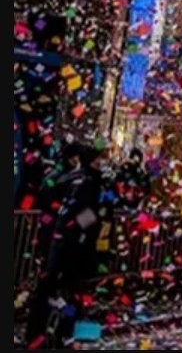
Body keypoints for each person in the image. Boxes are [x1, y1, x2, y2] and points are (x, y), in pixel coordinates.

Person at [25, 141, 106, 348]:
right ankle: (59, 335)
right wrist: (95, 222)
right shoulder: (88, 181)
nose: (102, 163)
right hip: (72, 247)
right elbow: (86, 215)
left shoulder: (71, 179)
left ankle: (42, 334)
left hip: (59, 242)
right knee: (67, 293)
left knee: (53, 291)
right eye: (99, 159)